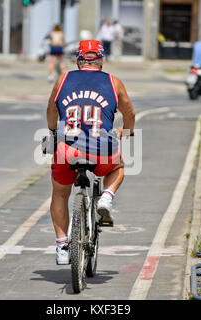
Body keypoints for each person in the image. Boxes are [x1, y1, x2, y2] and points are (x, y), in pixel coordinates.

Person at [46, 39, 135, 264]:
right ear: (102, 61)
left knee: (59, 193)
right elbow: (129, 112)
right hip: (101, 150)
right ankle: (106, 197)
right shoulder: (114, 83)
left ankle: (61, 246)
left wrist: (53, 131)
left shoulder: (63, 79)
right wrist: (128, 131)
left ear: (78, 61)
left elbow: (51, 110)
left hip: (67, 150)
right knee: (118, 167)